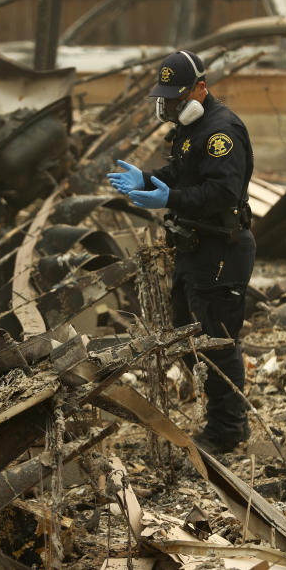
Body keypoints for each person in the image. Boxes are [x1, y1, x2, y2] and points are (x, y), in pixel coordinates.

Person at [107, 50, 255, 455]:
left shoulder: (222, 131)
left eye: (177, 97)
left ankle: (227, 429)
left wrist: (170, 197)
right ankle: (219, 412)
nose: (170, 106)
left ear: (200, 89)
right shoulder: (190, 129)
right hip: (194, 248)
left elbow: (221, 191)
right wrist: (150, 177)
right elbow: (184, 170)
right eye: (166, 98)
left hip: (221, 249)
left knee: (217, 340)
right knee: (185, 329)